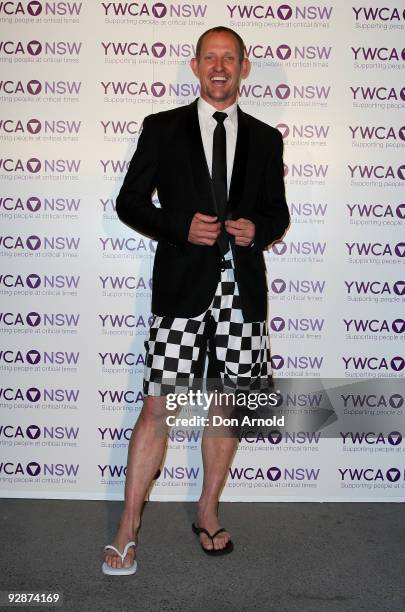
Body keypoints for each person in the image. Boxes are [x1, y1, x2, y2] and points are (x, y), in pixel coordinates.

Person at [102, 25, 289, 575]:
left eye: (230, 58)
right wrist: (180, 227)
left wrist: (260, 228)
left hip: (242, 294)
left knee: (228, 405)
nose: (220, 66)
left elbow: (278, 214)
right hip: (182, 291)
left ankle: (207, 509)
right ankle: (127, 527)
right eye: (211, 57)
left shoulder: (265, 137)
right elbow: (129, 202)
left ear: (244, 68)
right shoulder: (161, 129)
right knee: (159, 406)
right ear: (195, 66)